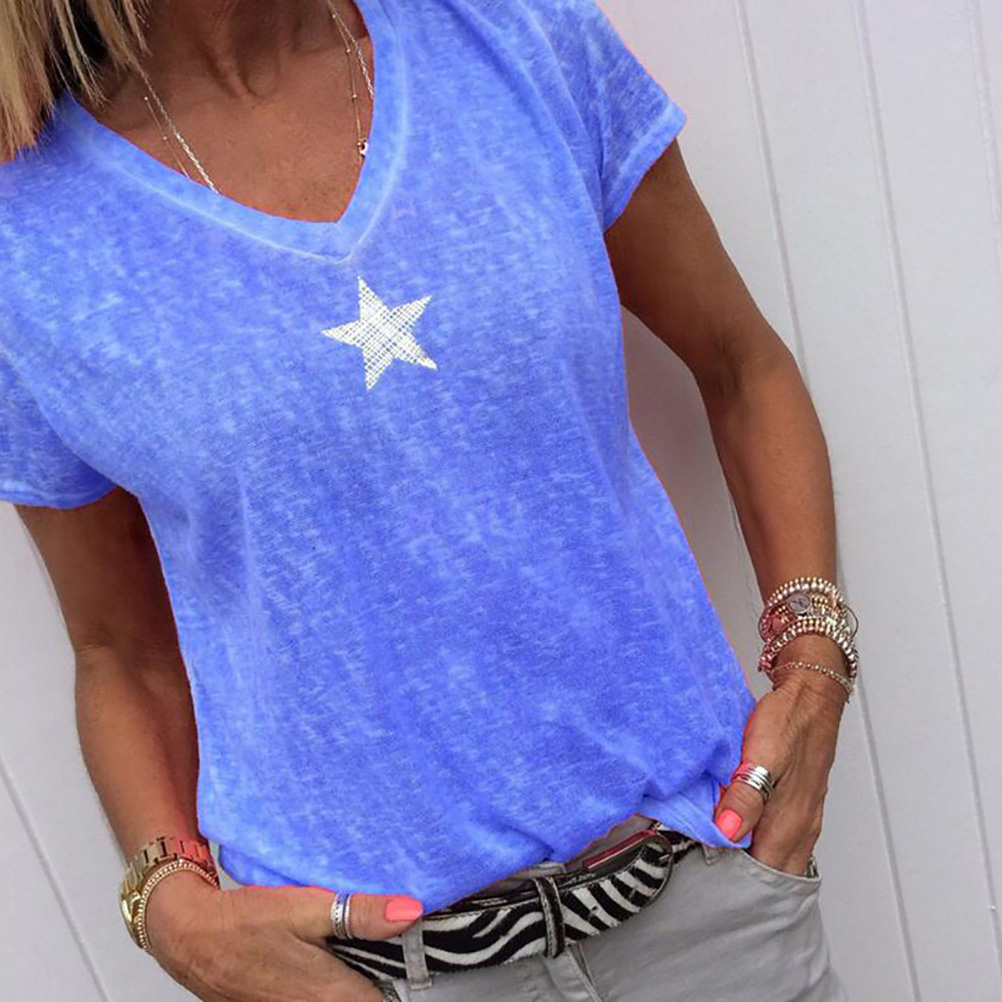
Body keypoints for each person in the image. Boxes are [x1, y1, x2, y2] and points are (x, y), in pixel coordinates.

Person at [0, 1, 855, 999]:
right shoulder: (28, 235)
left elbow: (744, 368)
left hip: (710, 911)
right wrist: (169, 909)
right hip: (373, 976)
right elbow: (120, 651)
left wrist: (814, 666)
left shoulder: (510, 37)